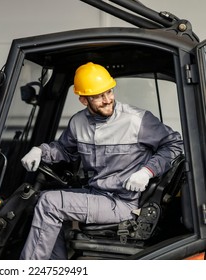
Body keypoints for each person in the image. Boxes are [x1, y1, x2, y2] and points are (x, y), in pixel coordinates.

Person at [19, 62, 183, 260]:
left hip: (122, 202)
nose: (107, 100)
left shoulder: (137, 120)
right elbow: (64, 150)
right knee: (39, 199)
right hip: (96, 194)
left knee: (49, 203)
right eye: (98, 96)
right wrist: (40, 151)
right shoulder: (78, 122)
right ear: (83, 100)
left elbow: (174, 144)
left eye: (109, 92)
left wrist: (147, 171)